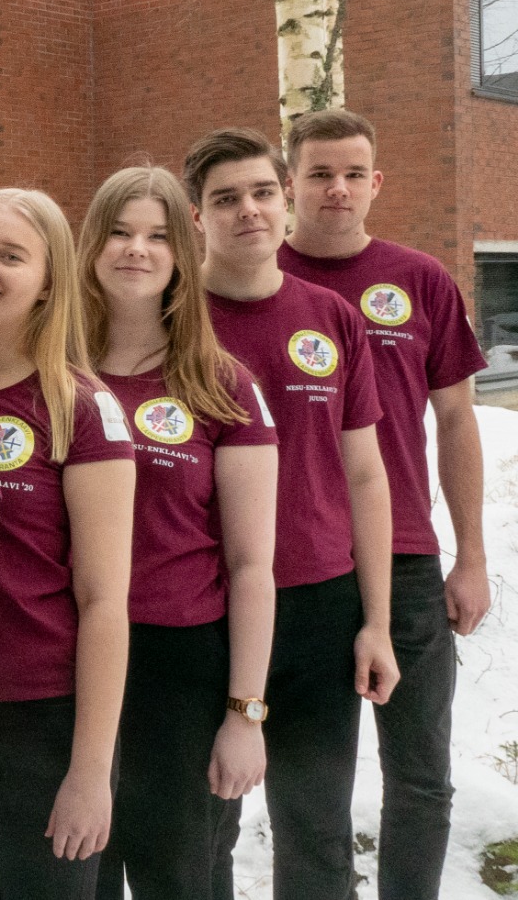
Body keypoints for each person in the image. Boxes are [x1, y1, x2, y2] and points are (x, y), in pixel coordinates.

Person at [183, 127, 400, 900]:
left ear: (284, 201)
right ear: (197, 216)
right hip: (202, 610)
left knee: (316, 830)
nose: (248, 209)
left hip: (318, 605)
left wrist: (376, 620)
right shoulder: (172, 321)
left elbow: (366, 474)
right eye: (225, 198)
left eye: (262, 192)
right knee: (200, 832)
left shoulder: (332, 317)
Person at [277, 108, 489, 900]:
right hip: (301, 567)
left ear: (376, 183)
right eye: (319, 173)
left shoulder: (421, 279)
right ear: (290, 181)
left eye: (352, 174)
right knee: (308, 791)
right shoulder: (257, 280)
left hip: (405, 561)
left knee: (422, 777)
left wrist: (470, 555)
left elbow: (457, 419)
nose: (336, 188)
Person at [75, 167, 278, 900]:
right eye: (119, 232)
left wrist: (245, 715)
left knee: (182, 878)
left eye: (158, 236)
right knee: (80, 874)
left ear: (182, 256)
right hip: (66, 660)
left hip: (179, 667)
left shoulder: (223, 384)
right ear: (90, 247)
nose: (137, 249)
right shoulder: (52, 375)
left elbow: (252, 565)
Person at [0, 187, 135, 899]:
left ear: (50, 283)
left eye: (11, 255)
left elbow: (105, 601)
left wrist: (90, 770)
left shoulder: (80, 408)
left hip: (41, 720)